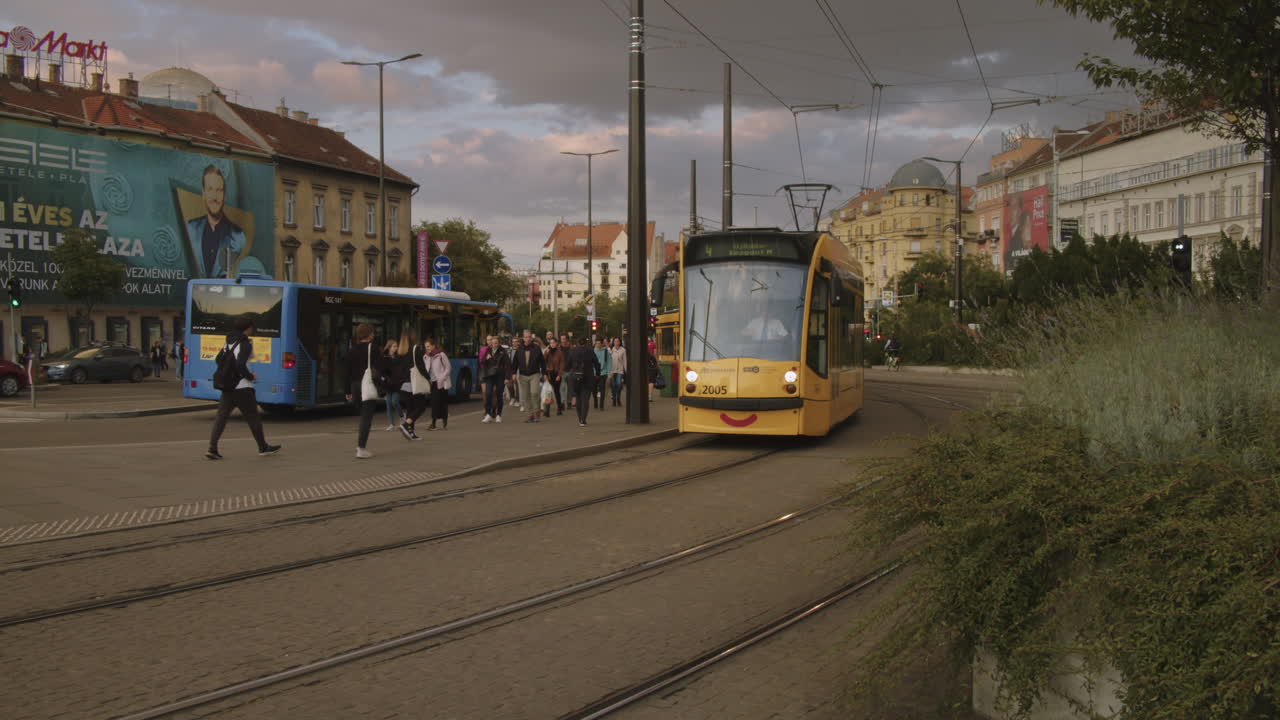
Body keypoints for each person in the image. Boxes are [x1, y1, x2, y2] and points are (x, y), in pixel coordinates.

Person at [206, 315, 280, 460]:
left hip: (228, 387)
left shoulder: (229, 341)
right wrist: (250, 376)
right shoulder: (245, 343)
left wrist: (229, 373)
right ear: (248, 328)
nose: (252, 330)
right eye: (252, 328)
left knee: (221, 417)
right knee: (253, 417)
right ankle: (263, 447)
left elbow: (218, 359)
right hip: (242, 387)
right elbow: (240, 365)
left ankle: (212, 448)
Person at [185, 164, 246, 278]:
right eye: (210, 189)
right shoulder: (190, 229)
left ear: (224, 194)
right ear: (203, 193)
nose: (214, 197)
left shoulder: (238, 237)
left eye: (219, 190)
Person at [346, 322, 390, 459]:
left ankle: (361, 445)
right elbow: (381, 366)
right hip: (368, 385)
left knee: (362, 417)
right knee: (366, 418)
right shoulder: (374, 348)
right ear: (370, 334)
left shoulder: (352, 350)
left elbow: (347, 371)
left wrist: (348, 390)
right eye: (373, 333)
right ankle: (361, 448)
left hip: (355, 386)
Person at [401, 328, 430, 440]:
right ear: (412, 336)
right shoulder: (415, 349)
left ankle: (411, 433)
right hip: (414, 383)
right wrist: (428, 378)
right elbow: (421, 366)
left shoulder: (400, 351)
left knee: (410, 409)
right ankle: (406, 424)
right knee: (421, 407)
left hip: (404, 384)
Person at [566, 337, 602, 426]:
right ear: (586, 343)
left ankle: (579, 418)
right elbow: (597, 363)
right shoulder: (590, 351)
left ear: (577, 343)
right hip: (588, 378)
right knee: (585, 399)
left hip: (576, 378)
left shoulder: (572, 351)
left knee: (578, 398)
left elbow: (568, 364)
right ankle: (583, 419)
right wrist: (597, 374)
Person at [512, 329, 546, 423]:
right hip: (523, 375)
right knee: (526, 396)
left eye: (529, 337)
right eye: (526, 337)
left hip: (534, 374)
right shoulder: (519, 349)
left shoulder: (536, 348)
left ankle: (537, 413)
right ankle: (529, 415)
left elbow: (542, 362)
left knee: (534, 393)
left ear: (531, 338)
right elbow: (515, 362)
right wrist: (514, 373)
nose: (527, 339)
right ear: (523, 338)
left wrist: (544, 373)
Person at [480, 334, 510, 423]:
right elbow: (482, 362)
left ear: (499, 343)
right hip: (490, 376)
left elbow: (507, 365)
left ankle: (498, 415)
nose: (494, 345)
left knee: (499, 395)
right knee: (488, 394)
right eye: (492, 343)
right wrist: (486, 358)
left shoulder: (503, 351)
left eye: (496, 343)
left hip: (500, 376)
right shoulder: (488, 350)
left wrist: (507, 377)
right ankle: (488, 414)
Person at [423, 337, 452, 430]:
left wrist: (442, 378)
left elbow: (448, 367)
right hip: (432, 382)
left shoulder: (441, 355)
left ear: (433, 346)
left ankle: (444, 420)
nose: (427, 348)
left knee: (442, 402)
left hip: (441, 382)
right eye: (426, 347)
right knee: (434, 402)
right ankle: (433, 423)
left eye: (428, 346)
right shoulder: (426, 356)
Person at [381, 339, 405, 431]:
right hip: (388, 384)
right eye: (394, 346)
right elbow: (381, 371)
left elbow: (401, 370)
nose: (396, 348)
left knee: (394, 401)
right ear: (389, 347)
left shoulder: (398, 358)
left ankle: (402, 416)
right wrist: (384, 378)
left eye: (396, 346)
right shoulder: (384, 358)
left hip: (396, 384)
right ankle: (391, 424)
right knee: (388, 404)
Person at [544, 337, 567, 416]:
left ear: (556, 343)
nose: (552, 344)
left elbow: (562, 364)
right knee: (548, 391)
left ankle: (559, 408)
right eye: (550, 343)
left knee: (557, 391)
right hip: (549, 374)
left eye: (553, 342)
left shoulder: (559, 352)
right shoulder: (547, 352)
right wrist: (546, 352)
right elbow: (543, 361)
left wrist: (559, 375)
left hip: (556, 373)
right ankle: (547, 410)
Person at [592, 338, 612, 410]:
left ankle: (601, 405)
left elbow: (609, 362)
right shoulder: (592, 351)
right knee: (594, 389)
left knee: (602, 388)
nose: (598, 345)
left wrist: (609, 372)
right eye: (597, 343)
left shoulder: (606, 352)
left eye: (599, 343)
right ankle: (595, 401)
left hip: (603, 372)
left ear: (602, 344)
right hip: (594, 373)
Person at [608, 337, 627, 407]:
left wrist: (626, 370)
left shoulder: (623, 350)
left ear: (620, 342)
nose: (616, 342)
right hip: (612, 370)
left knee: (619, 384)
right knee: (613, 385)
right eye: (615, 341)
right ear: (613, 342)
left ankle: (618, 398)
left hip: (620, 370)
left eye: (617, 341)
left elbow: (625, 360)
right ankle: (614, 399)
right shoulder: (610, 350)